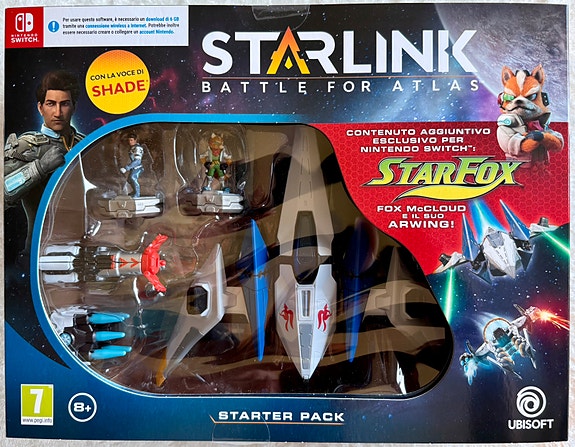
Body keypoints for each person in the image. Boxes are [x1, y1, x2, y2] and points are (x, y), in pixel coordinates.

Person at [4, 69, 84, 256]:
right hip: (40, 251)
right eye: (51, 104)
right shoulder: (27, 146)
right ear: (40, 107)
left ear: (74, 107)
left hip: (83, 246)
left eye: (64, 104)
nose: (58, 112)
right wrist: (39, 168)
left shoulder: (84, 143)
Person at [120, 133, 145, 197]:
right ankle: (134, 191)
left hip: (138, 167)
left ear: (135, 140)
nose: (130, 142)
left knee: (133, 178)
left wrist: (126, 168)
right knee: (129, 180)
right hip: (134, 167)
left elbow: (137, 161)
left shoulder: (137, 148)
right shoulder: (132, 148)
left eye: (131, 140)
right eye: (129, 140)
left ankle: (137, 193)